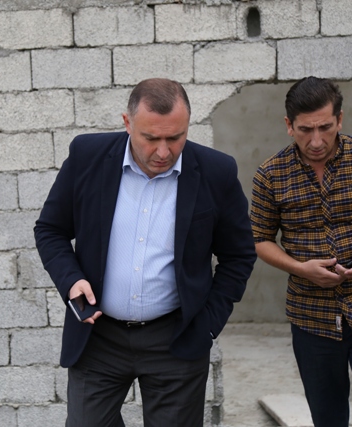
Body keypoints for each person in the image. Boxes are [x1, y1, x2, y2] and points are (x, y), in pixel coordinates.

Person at [34, 78, 256, 426]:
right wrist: (71, 280)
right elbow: (50, 230)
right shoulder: (87, 156)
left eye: (175, 137)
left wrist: (208, 325)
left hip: (177, 340)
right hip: (98, 338)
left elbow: (238, 256)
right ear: (127, 123)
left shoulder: (217, 171)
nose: (163, 152)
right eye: (150, 138)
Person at [249, 77, 352, 427]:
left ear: (339, 119)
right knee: (327, 416)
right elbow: (260, 239)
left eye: (325, 127)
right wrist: (301, 269)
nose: (316, 141)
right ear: (289, 125)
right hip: (312, 317)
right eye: (305, 130)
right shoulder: (270, 175)